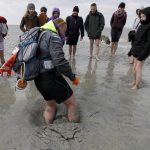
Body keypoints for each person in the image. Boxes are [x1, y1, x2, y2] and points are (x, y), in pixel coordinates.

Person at [34, 18, 80, 124]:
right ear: (61, 26)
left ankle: (47, 128)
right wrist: (73, 77)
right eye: (65, 30)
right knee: (72, 104)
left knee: (50, 105)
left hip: (38, 80)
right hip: (51, 78)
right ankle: (75, 132)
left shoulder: (40, 33)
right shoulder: (53, 36)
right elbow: (60, 62)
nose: (65, 32)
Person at [129, 7, 150, 89]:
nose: (142, 18)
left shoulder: (149, 26)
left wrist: (143, 54)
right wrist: (132, 36)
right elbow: (137, 39)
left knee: (138, 68)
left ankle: (137, 85)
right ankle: (134, 81)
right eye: (141, 16)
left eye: (144, 16)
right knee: (134, 68)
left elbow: (149, 43)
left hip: (143, 51)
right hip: (136, 49)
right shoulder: (141, 25)